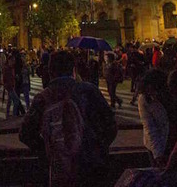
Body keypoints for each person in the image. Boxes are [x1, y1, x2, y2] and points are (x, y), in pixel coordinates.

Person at [19, 50, 117, 186]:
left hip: (60, 169)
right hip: (92, 166)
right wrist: (98, 147)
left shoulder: (42, 98)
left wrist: (48, 152)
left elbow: (25, 133)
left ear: (50, 71)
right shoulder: (88, 91)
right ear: (73, 70)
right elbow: (111, 124)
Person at [137, 69, 170, 167]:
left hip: (171, 140)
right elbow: (149, 127)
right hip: (155, 144)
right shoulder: (144, 99)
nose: (153, 94)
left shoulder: (170, 96)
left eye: (155, 90)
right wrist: (158, 154)